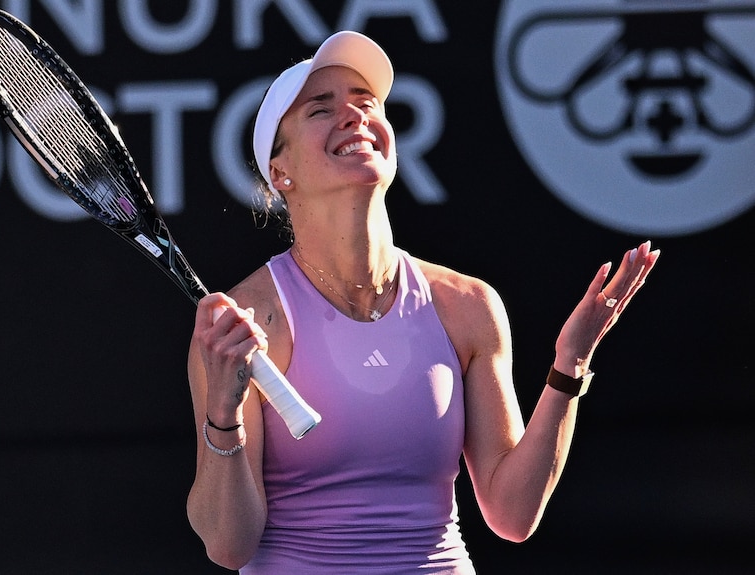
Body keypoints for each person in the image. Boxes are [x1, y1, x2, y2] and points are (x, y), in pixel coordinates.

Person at [185, 30, 660, 574]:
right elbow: (230, 545)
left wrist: (569, 364)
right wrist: (223, 414)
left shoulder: (468, 306)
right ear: (280, 172)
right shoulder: (246, 324)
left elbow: (513, 513)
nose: (353, 116)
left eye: (366, 104)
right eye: (321, 109)